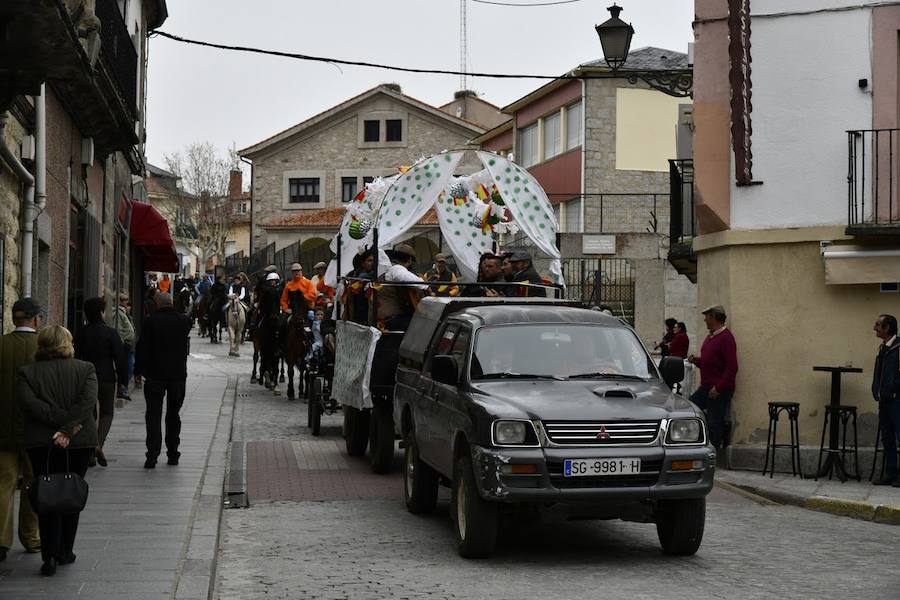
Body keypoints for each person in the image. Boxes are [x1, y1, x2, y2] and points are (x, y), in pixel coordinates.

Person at [17, 325, 98, 576]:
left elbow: (30, 404)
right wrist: (67, 428)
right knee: (71, 492)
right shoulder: (86, 369)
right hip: (78, 441)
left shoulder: (27, 373)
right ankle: (65, 550)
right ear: (68, 343)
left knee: (46, 493)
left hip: (42, 442)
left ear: (41, 344)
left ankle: (49, 554)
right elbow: (87, 403)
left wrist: (59, 425)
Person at [0, 298, 43, 561]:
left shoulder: (2, 344)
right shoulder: (43, 348)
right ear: (36, 319)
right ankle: (31, 537)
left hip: (3, 429)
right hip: (34, 430)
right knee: (33, 483)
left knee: (3, 484)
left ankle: (1, 540)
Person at [134, 293, 192, 469]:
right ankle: (173, 453)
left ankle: (152, 455)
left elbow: (142, 348)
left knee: (153, 415)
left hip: (155, 375)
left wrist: (138, 370)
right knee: (174, 415)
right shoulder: (184, 321)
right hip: (177, 375)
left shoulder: (150, 322)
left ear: (157, 304)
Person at [73, 297, 127, 468]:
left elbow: (76, 357)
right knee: (107, 413)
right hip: (106, 378)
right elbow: (120, 358)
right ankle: (98, 444)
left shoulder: (80, 333)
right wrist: (123, 381)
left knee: (89, 414)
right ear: (102, 313)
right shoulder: (110, 333)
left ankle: (89, 450)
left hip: (86, 378)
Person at [687, 305, 738, 449]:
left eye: (706, 316)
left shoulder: (726, 338)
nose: (704, 320)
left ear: (714, 317)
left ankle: (713, 453)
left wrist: (718, 388)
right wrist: (697, 361)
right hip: (705, 387)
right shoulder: (710, 336)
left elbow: (732, 367)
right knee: (689, 409)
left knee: (714, 423)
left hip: (718, 390)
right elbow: (710, 362)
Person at [871, 314, 900, 486]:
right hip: (884, 400)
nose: (874, 328)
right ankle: (891, 473)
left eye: (877, 324)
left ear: (887, 328)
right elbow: (879, 372)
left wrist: (893, 389)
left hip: (896, 400)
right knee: (887, 437)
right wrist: (876, 389)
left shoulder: (898, 348)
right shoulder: (883, 348)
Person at [378, 243, 429, 331]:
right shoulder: (397, 269)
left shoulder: (389, 269)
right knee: (426, 326)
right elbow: (419, 283)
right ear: (409, 260)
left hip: (386, 317)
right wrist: (428, 288)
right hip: (391, 318)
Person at [112, 293, 135, 400]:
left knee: (129, 367)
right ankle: (122, 388)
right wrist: (121, 343)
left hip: (127, 345)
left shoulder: (124, 312)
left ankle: (123, 388)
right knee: (126, 368)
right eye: (125, 300)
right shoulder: (118, 313)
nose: (127, 302)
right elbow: (119, 329)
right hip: (124, 345)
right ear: (120, 301)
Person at [208, 274, 228, 344]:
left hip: (223, 300)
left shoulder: (224, 285)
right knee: (210, 304)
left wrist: (225, 297)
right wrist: (215, 297)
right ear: (219, 279)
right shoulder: (214, 285)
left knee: (227, 307)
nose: (223, 280)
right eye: (222, 279)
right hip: (216, 299)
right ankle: (207, 314)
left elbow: (225, 292)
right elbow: (212, 292)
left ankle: (226, 319)